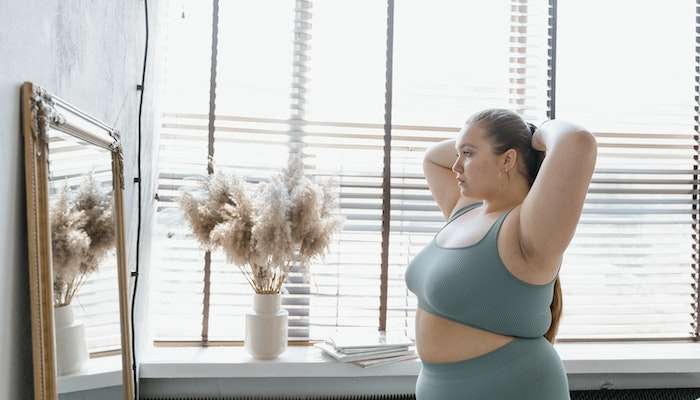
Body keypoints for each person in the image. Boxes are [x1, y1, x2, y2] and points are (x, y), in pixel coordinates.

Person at [405, 108, 597, 399]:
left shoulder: (528, 229)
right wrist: (477, 142)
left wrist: (534, 134)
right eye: (459, 154)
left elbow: (577, 141)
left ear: (508, 159)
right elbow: (433, 157)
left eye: (467, 154)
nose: (456, 166)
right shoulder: (466, 208)